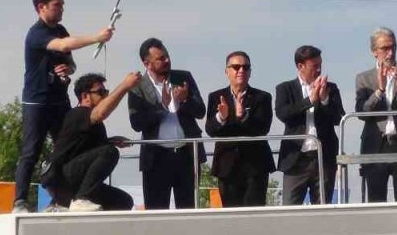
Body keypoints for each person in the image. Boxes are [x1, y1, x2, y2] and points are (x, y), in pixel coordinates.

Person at [14, 0, 114, 213]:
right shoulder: (37, 33)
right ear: (41, 7)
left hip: (59, 100)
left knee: (70, 148)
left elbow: (71, 61)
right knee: (31, 151)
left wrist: (68, 70)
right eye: (57, 5)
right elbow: (64, 45)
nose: (61, 10)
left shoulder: (61, 28)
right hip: (37, 103)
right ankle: (19, 201)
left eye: (62, 5)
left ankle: (61, 199)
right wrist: (97, 37)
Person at [127, 38, 205, 210]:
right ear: (147, 63)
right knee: (156, 213)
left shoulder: (183, 77)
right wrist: (163, 107)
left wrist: (184, 100)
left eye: (167, 56)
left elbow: (200, 111)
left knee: (189, 211)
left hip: (187, 156)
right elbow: (136, 122)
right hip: (156, 159)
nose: (167, 60)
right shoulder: (137, 86)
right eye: (161, 58)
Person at [42, 72, 137, 212]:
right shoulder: (78, 114)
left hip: (73, 181)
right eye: (101, 92)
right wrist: (125, 86)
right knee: (109, 152)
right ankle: (81, 199)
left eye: (106, 92)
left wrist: (109, 141)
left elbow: (85, 149)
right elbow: (100, 113)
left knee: (123, 201)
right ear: (85, 96)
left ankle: (71, 208)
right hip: (62, 180)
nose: (105, 96)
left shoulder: (93, 124)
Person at [354, 28, 397, 202]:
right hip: (376, 146)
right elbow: (362, 113)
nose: (390, 52)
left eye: (393, 47)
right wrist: (380, 89)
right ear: (374, 52)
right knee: (376, 203)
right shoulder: (363, 78)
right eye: (385, 48)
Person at [275, 45, 344, 205]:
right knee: (290, 210)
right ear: (300, 66)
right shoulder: (285, 88)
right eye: (314, 66)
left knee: (322, 210)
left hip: (323, 158)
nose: (319, 69)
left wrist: (325, 99)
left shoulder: (330, 88)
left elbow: (338, 118)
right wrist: (310, 101)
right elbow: (283, 114)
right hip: (295, 161)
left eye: (320, 65)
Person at [205, 51, 274, 207]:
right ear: (227, 71)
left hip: (255, 166)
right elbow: (210, 130)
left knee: (254, 215)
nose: (241, 70)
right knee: (231, 216)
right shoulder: (216, 97)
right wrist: (221, 117)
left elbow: (262, 128)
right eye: (236, 67)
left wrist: (243, 116)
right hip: (226, 166)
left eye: (246, 67)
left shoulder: (262, 97)